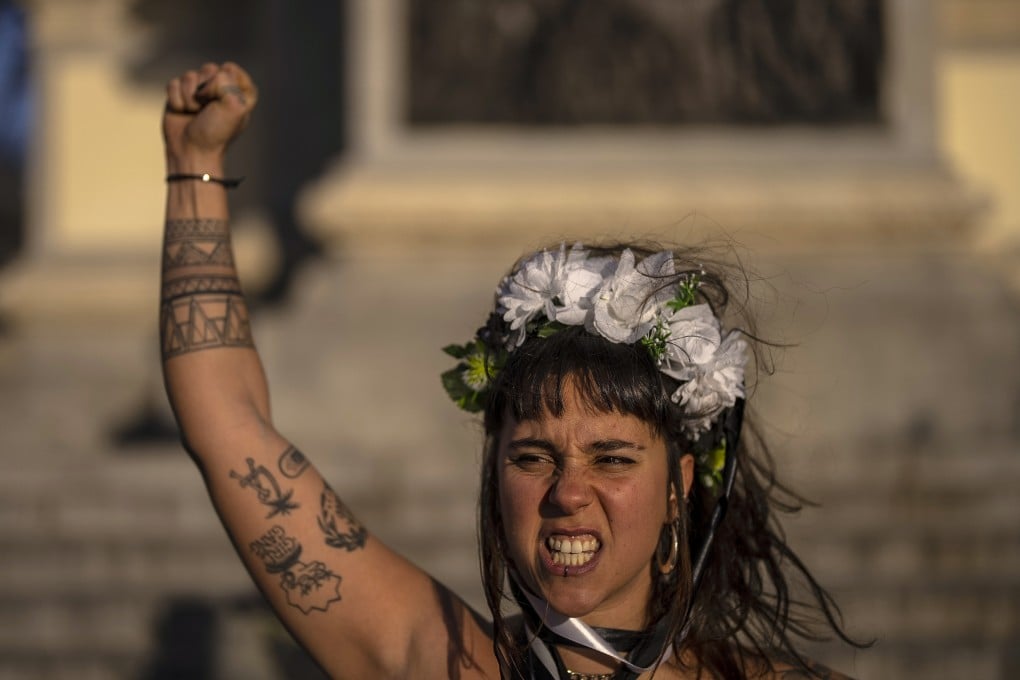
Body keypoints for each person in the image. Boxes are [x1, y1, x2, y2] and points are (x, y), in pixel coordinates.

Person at [159, 62, 862, 679]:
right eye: (533, 456)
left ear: (678, 483)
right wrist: (196, 167)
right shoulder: (433, 662)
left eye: (612, 458)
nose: (568, 493)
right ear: (495, 470)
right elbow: (228, 425)